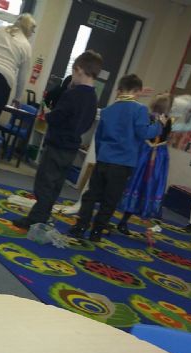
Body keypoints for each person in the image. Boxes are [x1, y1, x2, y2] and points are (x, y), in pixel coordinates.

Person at [13, 50, 103, 230]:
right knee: (56, 184)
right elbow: (87, 123)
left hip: (57, 144)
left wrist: (49, 115)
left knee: (44, 183)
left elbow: (58, 116)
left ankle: (36, 219)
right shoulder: (93, 98)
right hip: (71, 147)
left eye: (73, 72)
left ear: (79, 70)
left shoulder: (72, 94)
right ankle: (43, 215)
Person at [69, 74, 165, 242]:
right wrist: (159, 125)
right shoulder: (140, 109)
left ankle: (80, 226)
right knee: (110, 200)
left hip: (104, 159)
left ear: (120, 89)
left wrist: (101, 156)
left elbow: (99, 138)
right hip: (123, 163)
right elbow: (144, 133)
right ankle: (96, 231)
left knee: (91, 195)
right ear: (138, 91)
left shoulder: (108, 110)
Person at [116, 93, 172, 235]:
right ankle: (124, 220)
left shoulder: (161, 119)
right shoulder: (152, 118)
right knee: (139, 183)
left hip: (152, 155)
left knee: (143, 185)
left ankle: (128, 219)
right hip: (149, 155)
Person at [0, 13, 36, 130]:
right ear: (28, 29)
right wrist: (17, 98)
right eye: (32, 31)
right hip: (3, 80)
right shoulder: (26, 45)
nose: (32, 34)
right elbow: (22, 76)